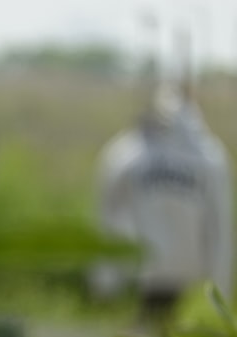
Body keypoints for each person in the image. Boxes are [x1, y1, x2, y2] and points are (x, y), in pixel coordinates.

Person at [91, 82, 234, 321]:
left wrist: (106, 278)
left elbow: (220, 226)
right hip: (157, 278)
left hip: (170, 279)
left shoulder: (130, 154)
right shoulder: (210, 158)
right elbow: (109, 211)